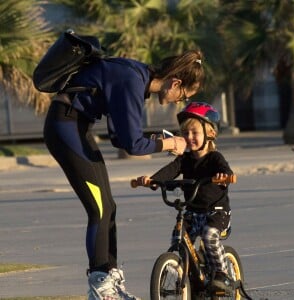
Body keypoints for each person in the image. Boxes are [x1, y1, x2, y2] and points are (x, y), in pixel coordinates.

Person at [43, 50, 205, 300]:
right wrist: (171, 145)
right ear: (176, 83)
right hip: (66, 126)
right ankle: (100, 286)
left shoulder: (136, 77)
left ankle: (109, 279)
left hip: (75, 126)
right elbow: (133, 146)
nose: (178, 102)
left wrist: (160, 141)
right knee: (99, 208)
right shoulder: (133, 80)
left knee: (108, 206)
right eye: (183, 96)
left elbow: (120, 137)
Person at [135, 102, 234, 293]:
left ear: (210, 133)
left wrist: (224, 178)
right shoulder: (185, 159)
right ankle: (190, 277)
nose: (189, 137)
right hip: (193, 211)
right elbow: (171, 170)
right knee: (178, 238)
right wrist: (152, 180)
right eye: (185, 133)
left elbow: (225, 172)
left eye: (194, 133)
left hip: (217, 212)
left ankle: (222, 274)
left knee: (209, 235)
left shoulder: (215, 158)